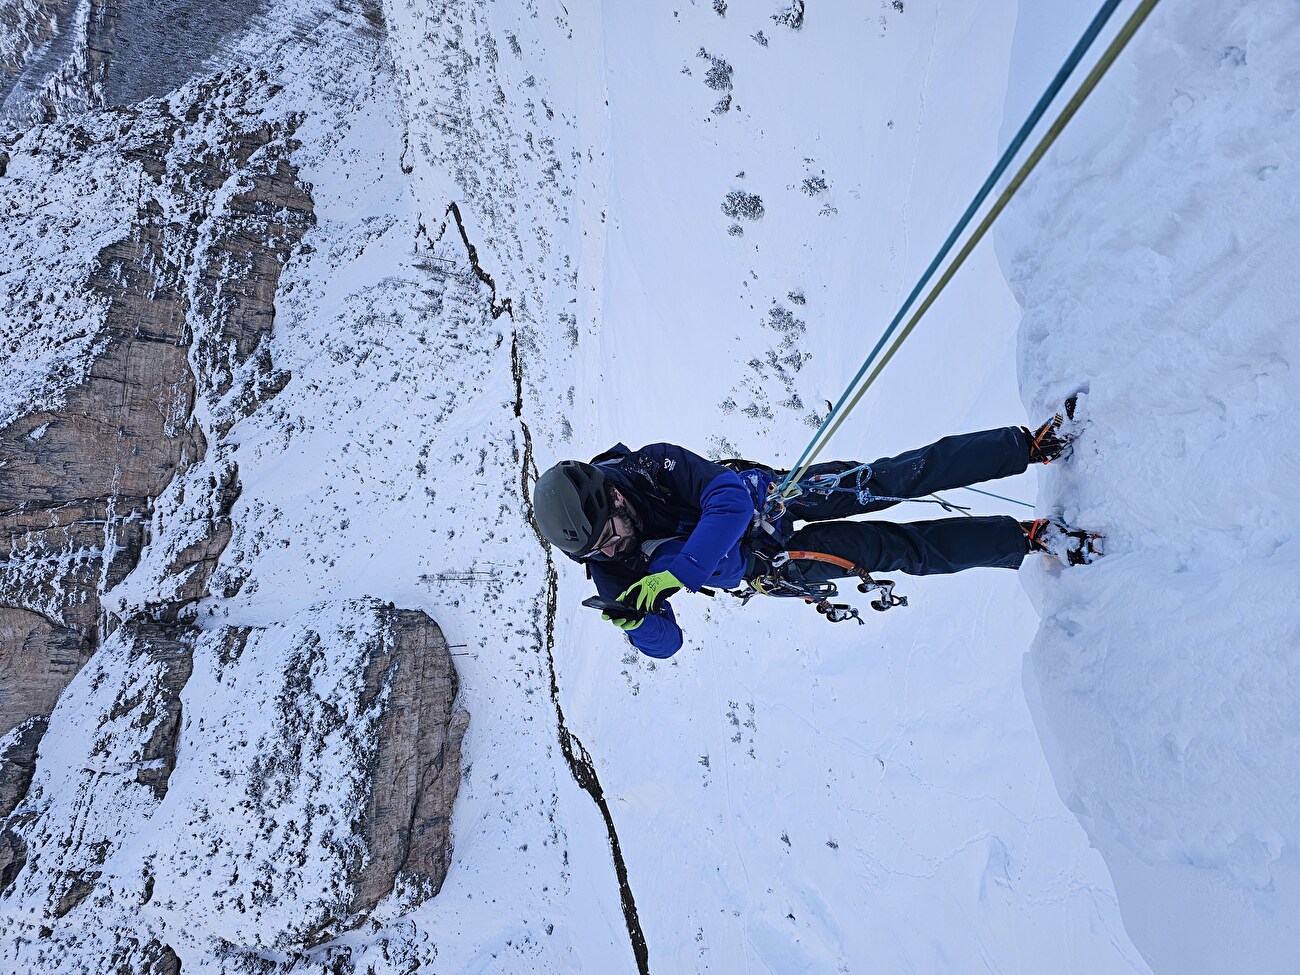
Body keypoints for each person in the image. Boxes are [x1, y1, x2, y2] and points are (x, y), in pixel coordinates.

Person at [532, 405, 1093, 658]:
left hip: (772, 496)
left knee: (894, 478)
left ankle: (1026, 446)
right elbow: (668, 645)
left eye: (610, 534)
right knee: (896, 550)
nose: (613, 550)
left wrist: (678, 573)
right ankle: (1025, 540)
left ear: (614, 496)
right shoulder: (608, 565)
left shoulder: (652, 466)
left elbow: (727, 500)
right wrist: (639, 626)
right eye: (599, 550)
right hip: (767, 565)